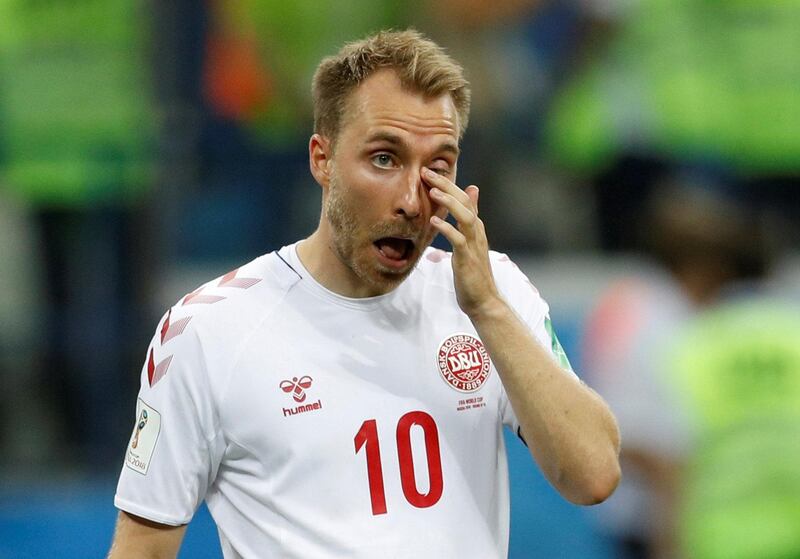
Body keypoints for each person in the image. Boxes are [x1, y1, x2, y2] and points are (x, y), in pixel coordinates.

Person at [108, 29, 620, 558]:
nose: (410, 199)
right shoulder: (208, 331)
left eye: (438, 167)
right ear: (321, 159)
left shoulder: (494, 290)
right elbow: (142, 549)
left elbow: (594, 475)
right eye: (383, 158)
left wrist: (487, 310)